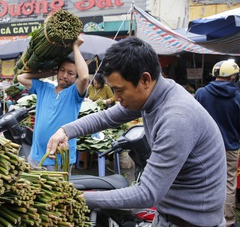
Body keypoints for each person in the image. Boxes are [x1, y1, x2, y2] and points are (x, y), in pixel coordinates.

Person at [46, 37, 226, 227]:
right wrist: (65, 131)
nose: (116, 98)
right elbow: (106, 117)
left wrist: (78, 197)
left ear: (145, 79)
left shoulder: (177, 118)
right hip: (168, 216)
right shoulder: (154, 94)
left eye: (119, 90)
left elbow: (146, 193)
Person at [17, 35, 89, 172]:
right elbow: (21, 77)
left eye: (70, 73)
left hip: (60, 158)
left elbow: (85, 77)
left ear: (75, 77)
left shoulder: (74, 93)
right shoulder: (44, 88)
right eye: (62, 70)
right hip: (36, 155)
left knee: (57, 193)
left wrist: (75, 47)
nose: (65, 75)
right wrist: (47, 72)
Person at [194, 59, 240, 227]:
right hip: (229, 147)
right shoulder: (237, 96)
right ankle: (228, 221)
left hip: (204, 149)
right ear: (233, 76)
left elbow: (195, 120)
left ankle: (205, 218)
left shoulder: (201, 93)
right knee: (228, 184)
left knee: (205, 181)